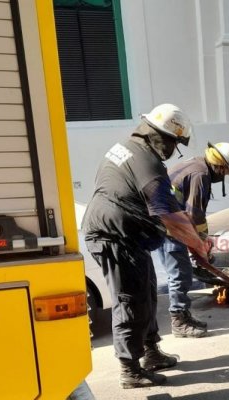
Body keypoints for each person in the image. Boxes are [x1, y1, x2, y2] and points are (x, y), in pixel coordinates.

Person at [81, 104, 209, 389]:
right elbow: (170, 216)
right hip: (114, 236)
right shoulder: (147, 162)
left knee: (147, 294)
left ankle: (151, 352)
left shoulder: (126, 148)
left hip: (129, 235)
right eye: (174, 142)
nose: (174, 149)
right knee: (129, 301)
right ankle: (130, 369)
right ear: (161, 136)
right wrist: (199, 247)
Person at [152, 142, 229, 337]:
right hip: (169, 228)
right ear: (221, 166)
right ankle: (179, 321)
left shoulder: (197, 164)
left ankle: (183, 314)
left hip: (169, 223)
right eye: (226, 172)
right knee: (179, 275)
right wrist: (202, 243)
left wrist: (201, 239)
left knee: (180, 273)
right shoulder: (201, 175)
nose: (224, 176)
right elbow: (195, 214)